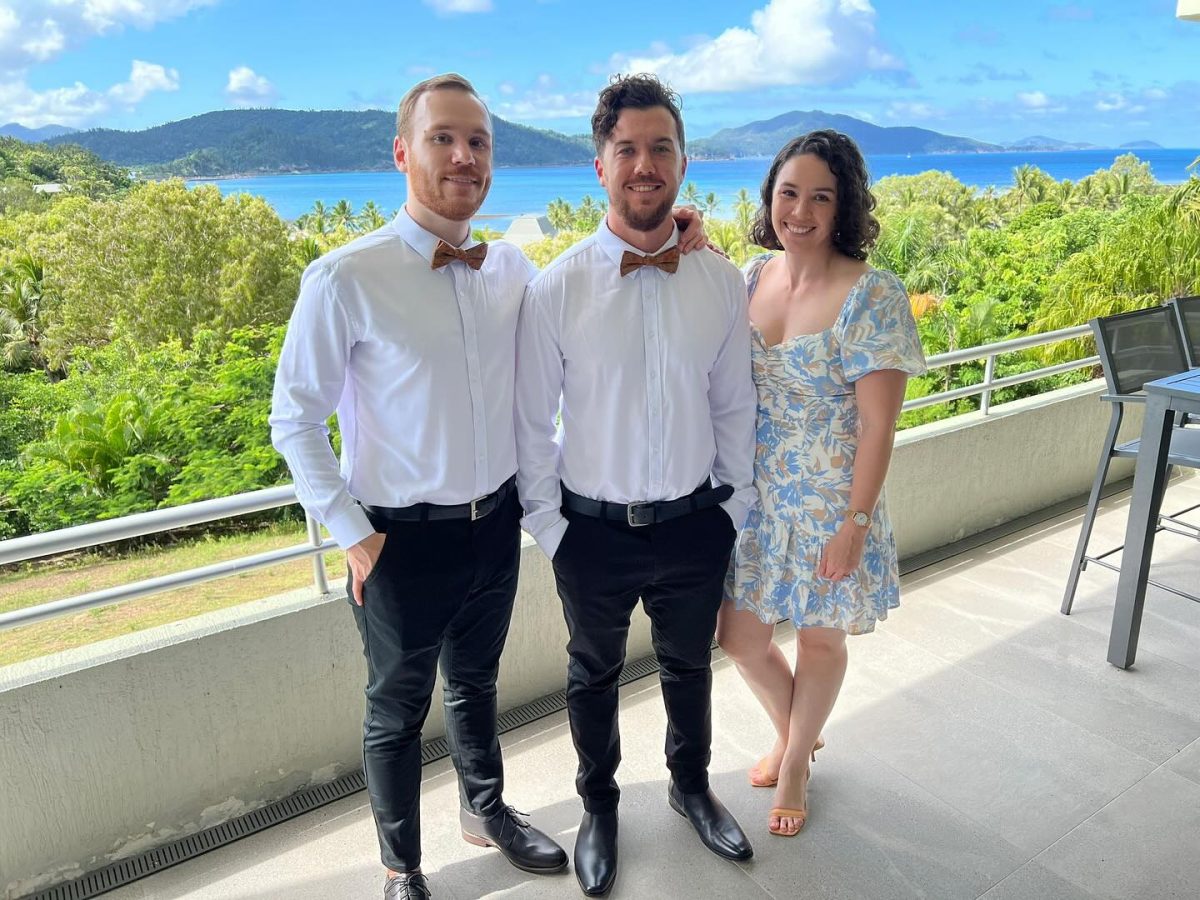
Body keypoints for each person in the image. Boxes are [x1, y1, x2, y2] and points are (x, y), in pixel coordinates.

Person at [269, 73, 569, 900]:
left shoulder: (510, 265)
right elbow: (294, 419)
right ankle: (402, 868)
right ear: (403, 152)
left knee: (476, 685)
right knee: (395, 713)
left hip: (494, 524)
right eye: (443, 137)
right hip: (396, 540)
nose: (464, 155)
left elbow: (593, 295)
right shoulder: (344, 276)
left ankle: (487, 810)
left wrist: (682, 234)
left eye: (479, 141)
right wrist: (352, 533)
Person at [515, 74, 757, 897]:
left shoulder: (721, 282)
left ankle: (691, 787)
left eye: (661, 148)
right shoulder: (557, 288)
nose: (645, 165)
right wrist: (553, 529)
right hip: (592, 532)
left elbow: (734, 407)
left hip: (696, 522)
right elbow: (529, 424)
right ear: (600, 166)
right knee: (592, 677)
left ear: (684, 163)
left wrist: (734, 511)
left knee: (690, 667)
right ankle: (600, 808)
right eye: (628, 150)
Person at [717, 130, 926, 838]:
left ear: (845, 208)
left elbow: (878, 427)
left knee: (819, 642)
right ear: (769, 197)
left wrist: (854, 524)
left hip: (834, 500)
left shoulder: (873, 295)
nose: (800, 211)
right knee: (740, 638)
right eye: (788, 192)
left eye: (820, 196)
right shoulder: (749, 275)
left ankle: (796, 758)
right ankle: (797, 728)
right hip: (758, 497)